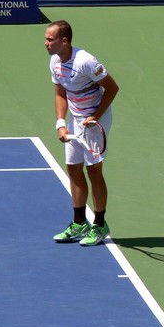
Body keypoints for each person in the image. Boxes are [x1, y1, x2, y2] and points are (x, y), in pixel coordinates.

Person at [45, 20, 119, 247]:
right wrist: (60, 123)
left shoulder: (86, 61)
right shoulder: (55, 62)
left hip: (96, 120)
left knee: (94, 171)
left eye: (50, 39)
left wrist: (95, 116)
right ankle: (79, 223)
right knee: (73, 167)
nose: (46, 43)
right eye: (46, 39)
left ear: (64, 41)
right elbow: (60, 92)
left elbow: (112, 87)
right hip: (76, 119)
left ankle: (99, 224)